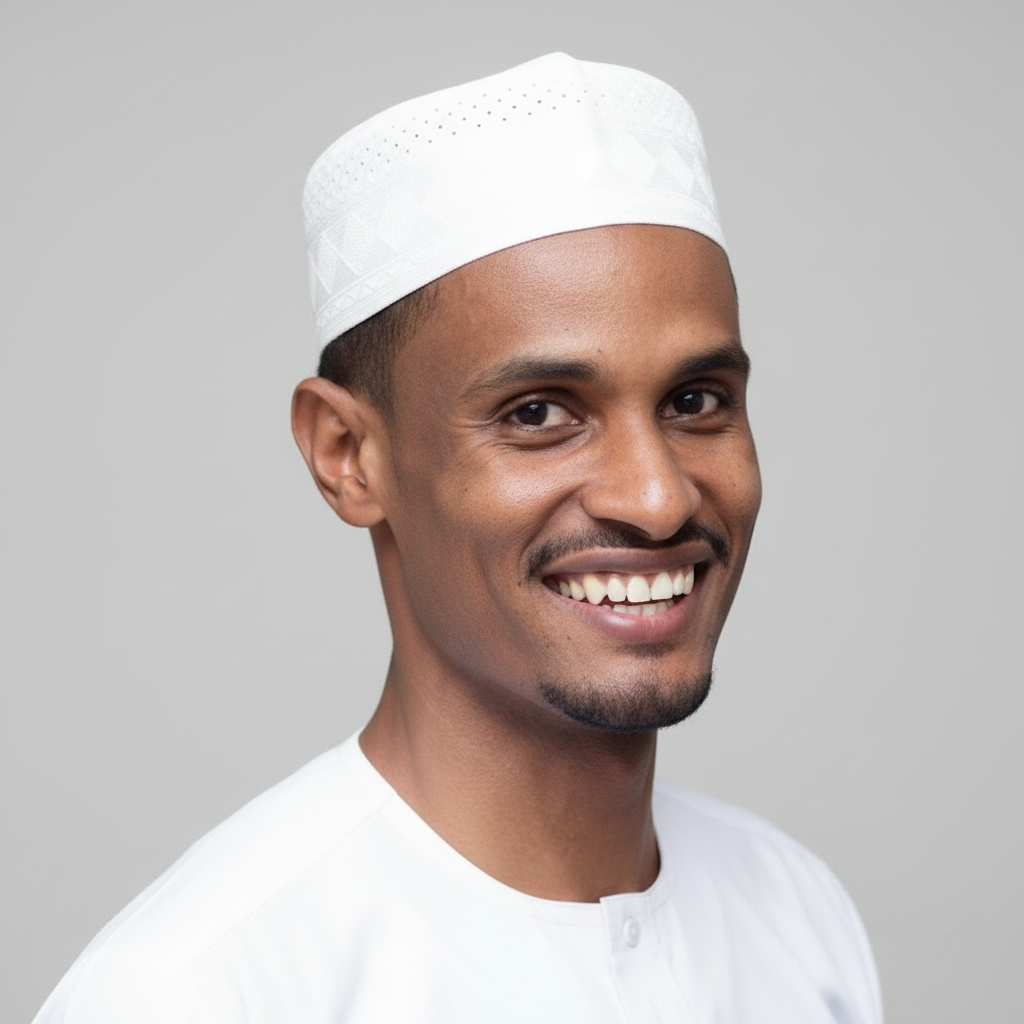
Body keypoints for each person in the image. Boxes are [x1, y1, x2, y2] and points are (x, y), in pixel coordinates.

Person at [34, 53, 883, 1023]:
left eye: (695, 401)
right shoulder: (198, 991)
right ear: (349, 454)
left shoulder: (799, 914)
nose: (656, 499)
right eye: (538, 413)